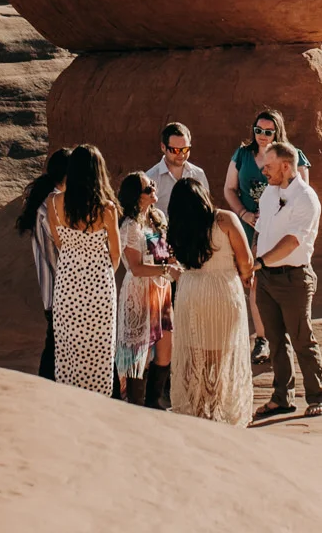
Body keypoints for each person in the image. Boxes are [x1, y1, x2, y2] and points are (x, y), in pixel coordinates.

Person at [222, 108, 311, 365]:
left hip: (283, 231)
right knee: (257, 282)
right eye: (258, 130)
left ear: (277, 131)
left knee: (286, 280)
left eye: (268, 131)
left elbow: (301, 193)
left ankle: (285, 340)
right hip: (252, 226)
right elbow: (230, 188)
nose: (261, 135)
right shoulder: (242, 155)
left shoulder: (294, 157)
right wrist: (243, 213)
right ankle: (262, 339)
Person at [165, 178, 254, 427]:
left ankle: (196, 410)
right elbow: (246, 260)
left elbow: (177, 262)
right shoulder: (224, 219)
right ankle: (216, 411)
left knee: (195, 355)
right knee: (220, 356)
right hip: (222, 290)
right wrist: (245, 276)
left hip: (191, 290)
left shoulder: (177, 227)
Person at [253, 142, 322, 418]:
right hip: (265, 278)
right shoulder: (269, 194)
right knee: (275, 339)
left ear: (286, 166)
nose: (264, 171)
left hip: (293, 278)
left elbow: (293, 241)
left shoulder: (306, 199)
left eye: (269, 166)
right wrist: (255, 264)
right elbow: (261, 231)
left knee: (301, 338)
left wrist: (260, 262)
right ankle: (282, 397)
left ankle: (318, 396)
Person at [46, 144, 121, 395]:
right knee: (98, 348)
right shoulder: (107, 209)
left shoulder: (54, 202)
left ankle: (68, 400)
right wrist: (99, 269)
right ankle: (98, 400)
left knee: (69, 347)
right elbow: (116, 254)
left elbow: (58, 242)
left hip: (67, 284)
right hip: (99, 285)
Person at [115, 171, 178, 407]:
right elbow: (137, 268)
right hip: (139, 293)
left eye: (153, 185)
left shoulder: (157, 217)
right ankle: (133, 403)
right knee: (136, 353)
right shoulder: (130, 226)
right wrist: (167, 271)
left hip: (161, 292)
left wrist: (172, 263)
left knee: (165, 349)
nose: (153, 189)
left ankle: (155, 403)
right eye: (147, 188)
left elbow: (165, 255)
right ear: (135, 196)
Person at [16, 147, 70, 380]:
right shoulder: (51, 206)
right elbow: (64, 247)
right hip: (60, 289)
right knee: (56, 347)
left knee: (55, 344)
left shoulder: (52, 201)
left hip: (55, 289)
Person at [146, 122, 207, 217]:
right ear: (163, 147)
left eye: (185, 149)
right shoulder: (150, 178)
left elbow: (206, 209)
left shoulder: (198, 174)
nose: (181, 155)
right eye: (175, 150)